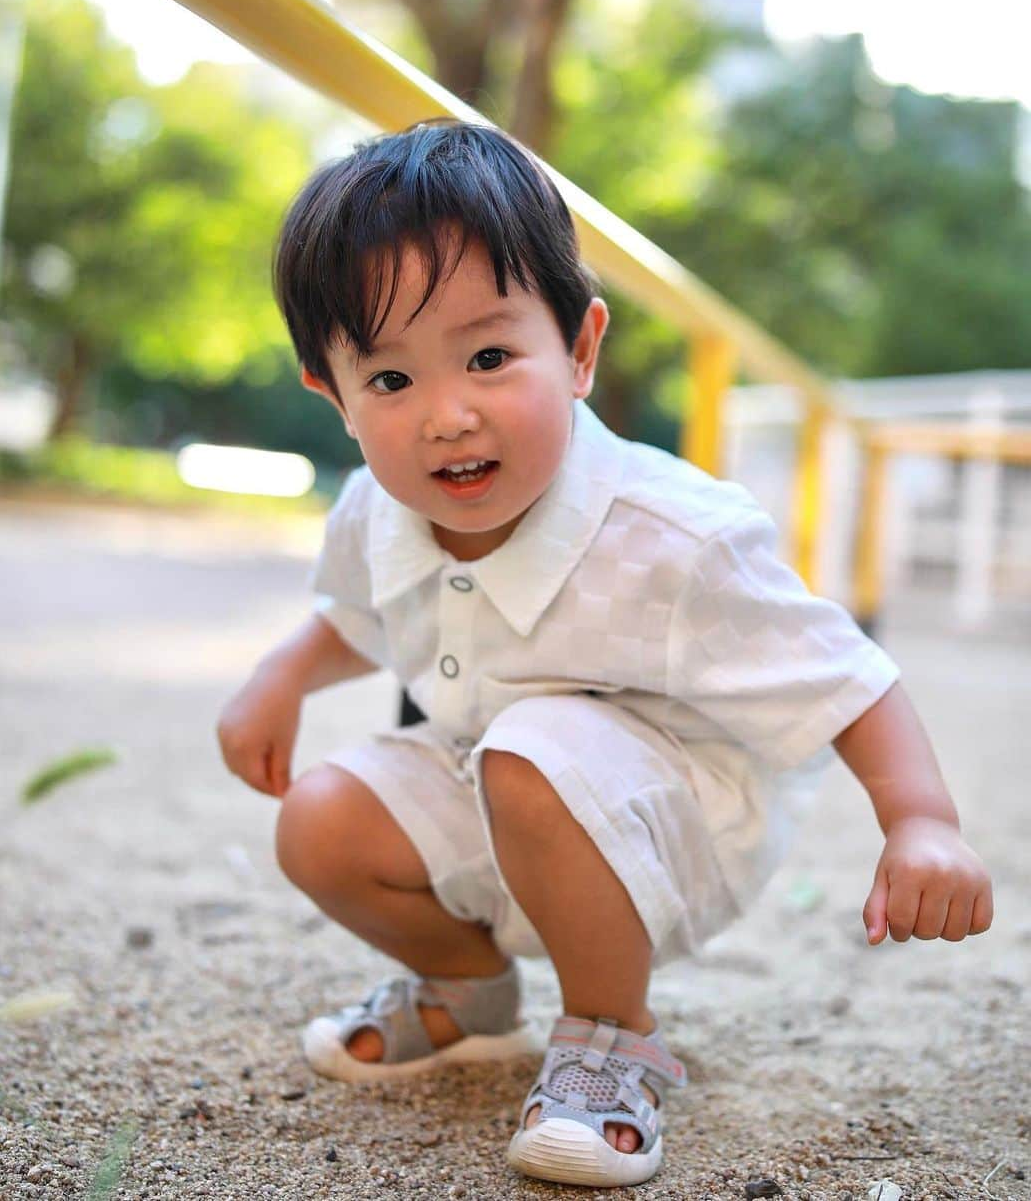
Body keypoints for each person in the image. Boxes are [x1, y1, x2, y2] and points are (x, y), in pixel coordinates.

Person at [216, 120, 993, 1189]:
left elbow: (845, 676)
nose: (447, 415)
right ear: (333, 398)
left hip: (678, 824)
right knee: (320, 820)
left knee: (534, 752)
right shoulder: (374, 513)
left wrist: (921, 823)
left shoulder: (673, 539)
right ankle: (467, 992)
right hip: (504, 784)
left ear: (579, 350)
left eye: (489, 357)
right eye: (389, 380)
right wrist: (282, 678)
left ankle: (611, 1033)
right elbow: (359, 613)